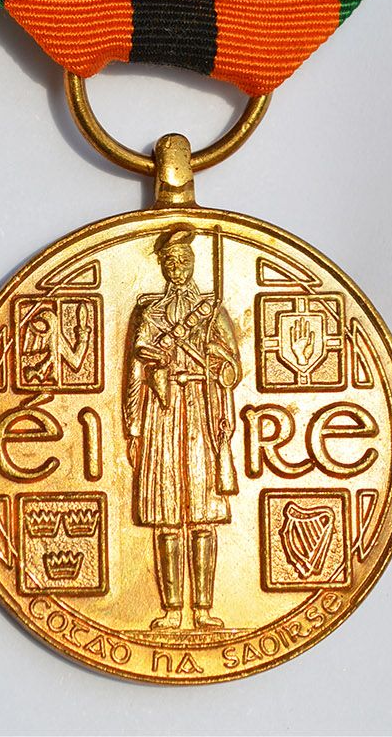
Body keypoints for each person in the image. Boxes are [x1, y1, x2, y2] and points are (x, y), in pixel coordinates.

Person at [123, 225, 241, 630]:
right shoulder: (149, 313)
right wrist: (134, 427)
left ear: (192, 263)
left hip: (201, 410)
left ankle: (203, 610)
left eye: (183, 260)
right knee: (166, 512)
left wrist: (217, 362)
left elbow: (233, 366)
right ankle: (173, 610)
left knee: (204, 512)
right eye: (170, 261)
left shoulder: (212, 311)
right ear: (162, 265)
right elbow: (134, 373)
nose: (176, 267)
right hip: (162, 410)